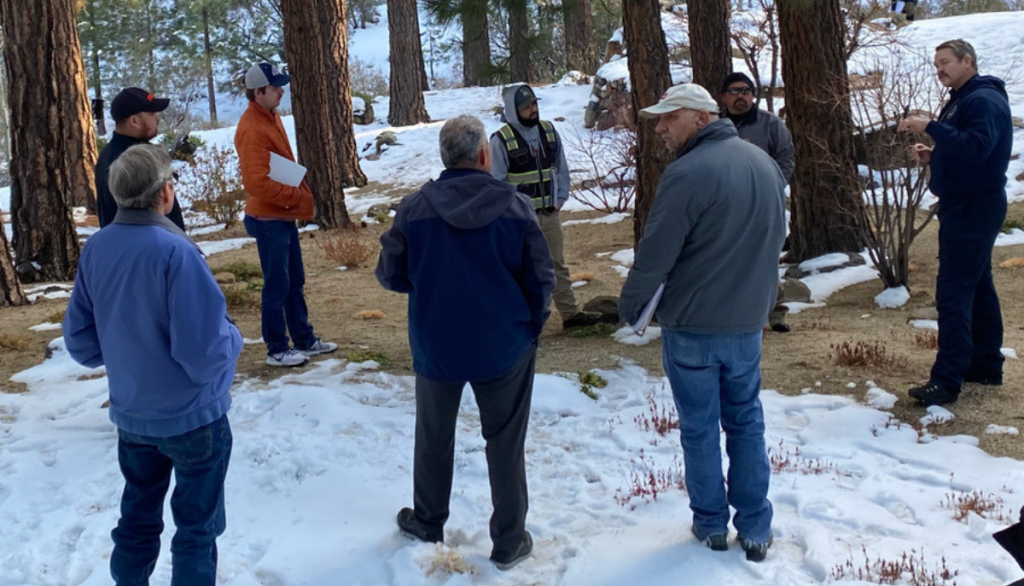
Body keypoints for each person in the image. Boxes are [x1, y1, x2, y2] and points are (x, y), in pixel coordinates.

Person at [377, 115, 555, 571]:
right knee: (505, 442)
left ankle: (428, 519)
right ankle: (509, 539)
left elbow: (391, 274)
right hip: (505, 344)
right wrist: (531, 328)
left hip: (438, 342)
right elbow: (540, 278)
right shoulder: (516, 207)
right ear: (482, 155)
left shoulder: (414, 208)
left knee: (434, 436)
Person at [619, 83, 786, 562]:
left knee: (699, 427)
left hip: (694, 324)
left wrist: (631, 306)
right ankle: (756, 526)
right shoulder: (765, 165)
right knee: (747, 421)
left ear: (698, 117)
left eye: (668, 118)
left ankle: (711, 524)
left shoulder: (687, 173)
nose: (660, 129)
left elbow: (656, 254)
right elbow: (775, 238)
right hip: (748, 323)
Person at [62, 144, 242, 586]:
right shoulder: (175, 252)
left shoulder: (98, 247)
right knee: (197, 529)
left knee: (137, 519)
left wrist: (130, 352)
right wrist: (234, 336)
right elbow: (204, 353)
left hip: (133, 416)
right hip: (193, 419)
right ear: (164, 194)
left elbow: (81, 343)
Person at [898, 39, 1012, 406]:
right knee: (977, 285)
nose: (940, 70)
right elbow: (971, 149)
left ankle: (946, 382)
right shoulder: (965, 97)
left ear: (968, 61)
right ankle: (984, 365)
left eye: (945, 62)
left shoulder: (982, 99)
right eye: (937, 64)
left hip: (974, 206)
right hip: (967, 201)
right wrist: (938, 155)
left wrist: (930, 125)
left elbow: (979, 146)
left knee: (953, 292)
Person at [235, 61, 337, 367]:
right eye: (276, 87)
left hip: (280, 216)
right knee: (277, 283)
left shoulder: (269, 116)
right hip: (268, 219)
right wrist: (295, 197)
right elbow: (255, 182)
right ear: (258, 91)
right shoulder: (252, 127)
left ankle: (303, 339)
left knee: (294, 279)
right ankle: (277, 348)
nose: (281, 91)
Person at [490, 83, 600, 330]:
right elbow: (495, 183)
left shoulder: (550, 132)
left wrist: (560, 198)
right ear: (512, 110)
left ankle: (571, 316)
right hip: (519, 221)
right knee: (520, 269)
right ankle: (520, 321)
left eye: (534, 104)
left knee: (556, 265)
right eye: (526, 106)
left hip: (549, 215)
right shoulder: (501, 140)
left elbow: (561, 168)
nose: (532, 109)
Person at [720, 72, 796, 333]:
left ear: (753, 95)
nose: (740, 96)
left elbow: (786, 157)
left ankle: (776, 313)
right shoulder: (716, 126)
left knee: (764, 258)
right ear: (724, 97)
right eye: (734, 91)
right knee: (727, 257)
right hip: (725, 205)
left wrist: (773, 185)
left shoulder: (771, 124)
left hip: (764, 204)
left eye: (746, 90)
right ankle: (734, 313)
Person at [96, 87, 186, 231]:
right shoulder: (136, 161)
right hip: (154, 248)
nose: (157, 117)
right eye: (152, 113)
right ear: (134, 121)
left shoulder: (108, 155)